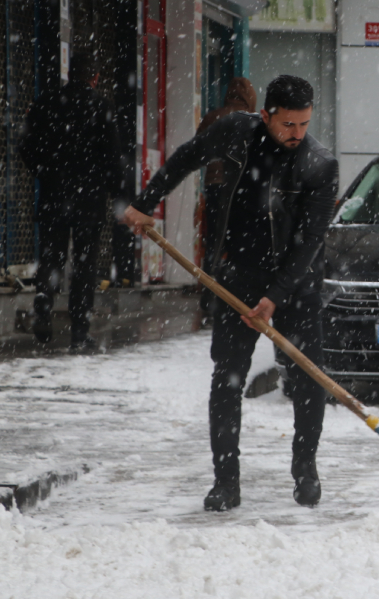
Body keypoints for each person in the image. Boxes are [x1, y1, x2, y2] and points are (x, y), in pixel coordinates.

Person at [121, 75, 338, 512]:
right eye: (288, 125)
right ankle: (226, 480)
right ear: (266, 115)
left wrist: (275, 295)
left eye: (304, 124)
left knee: (307, 376)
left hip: (295, 283)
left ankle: (305, 468)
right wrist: (146, 204)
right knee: (227, 378)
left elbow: (310, 240)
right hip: (238, 274)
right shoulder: (234, 132)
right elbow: (184, 160)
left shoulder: (319, 164)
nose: (297, 134)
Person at [21, 52, 121, 353]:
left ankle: (43, 304)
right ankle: (79, 333)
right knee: (83, 266)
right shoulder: (102, 107)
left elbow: (26, 146)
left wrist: (44, 172)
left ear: (69, 73)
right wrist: (113, 192)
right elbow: (112, 158)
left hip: (54, 196)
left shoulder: (46, 102)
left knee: (52, 257)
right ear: (95, 77)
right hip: (88, 203)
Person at [196, 78, 258, 318]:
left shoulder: (213, 117)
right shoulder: (253, 122)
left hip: (215, 186)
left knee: (214, 242)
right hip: (241, 188)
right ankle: (235, 297)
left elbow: (198, 149)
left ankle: (209, 297)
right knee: (240, 244)